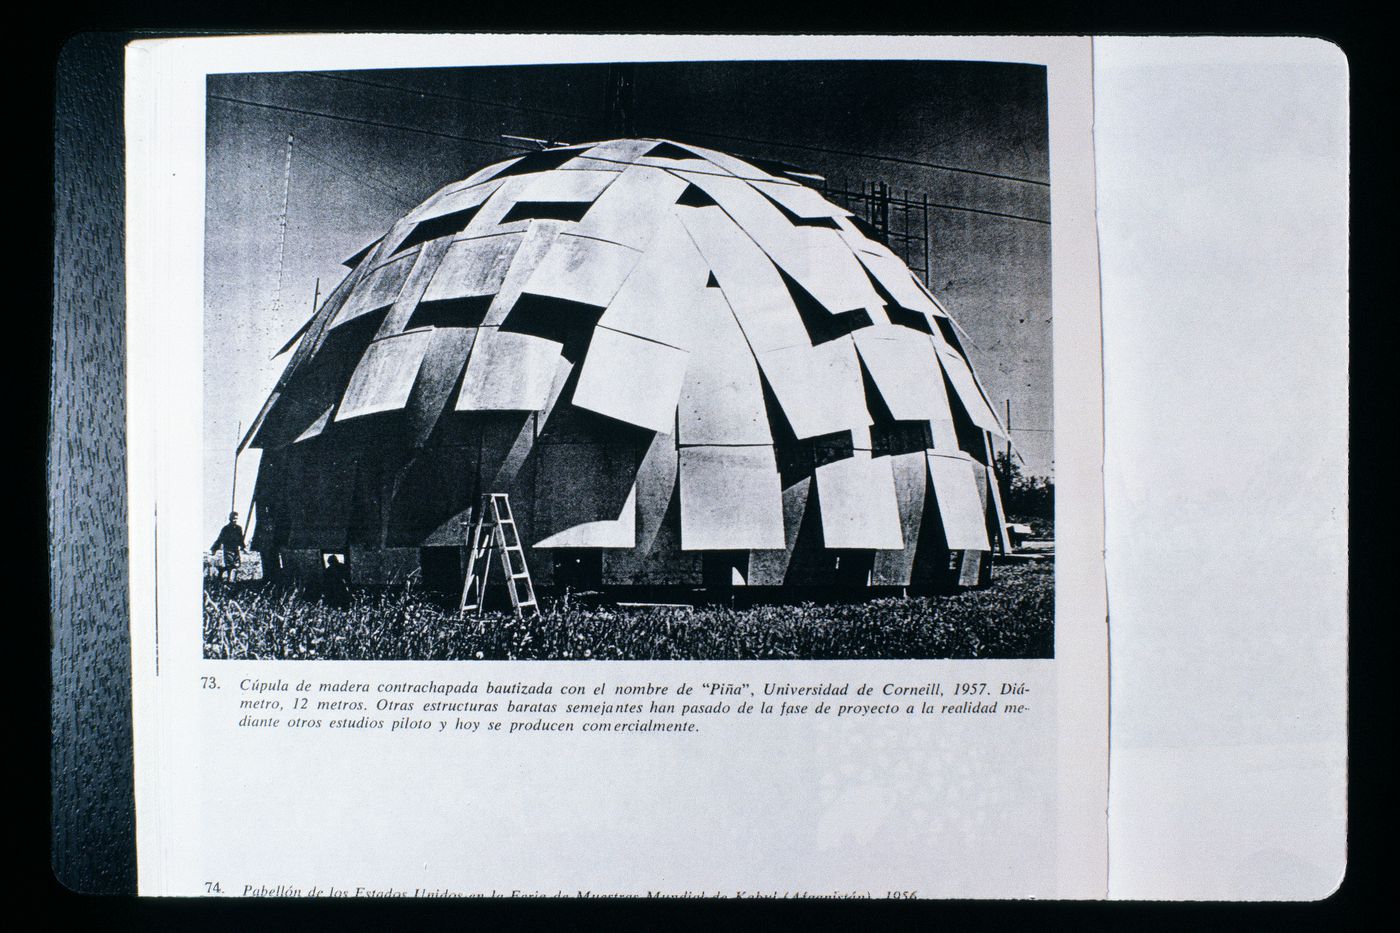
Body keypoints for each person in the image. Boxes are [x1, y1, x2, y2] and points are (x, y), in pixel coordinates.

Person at [210, 511, 245, 581]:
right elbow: (220, 539)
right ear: (230, 518)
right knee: (230, 565)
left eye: (236, 518)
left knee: (237, 565)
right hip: (228, 549)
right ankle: (230, 580)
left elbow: (240, 539)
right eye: (233, 518)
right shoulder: (225, 529)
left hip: (235, 549)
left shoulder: (239, 528)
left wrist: (242, 546)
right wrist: (214, 548)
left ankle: (221, 570)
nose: (235, 520)